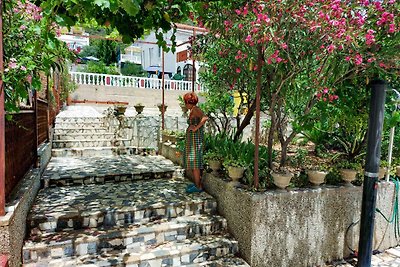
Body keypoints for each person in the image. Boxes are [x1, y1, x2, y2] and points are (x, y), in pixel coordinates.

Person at [183, 92, 208, 193]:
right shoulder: (193, 110)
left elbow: (205, 118)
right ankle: (197, 184)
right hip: (192, 140)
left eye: (186, 102)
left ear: (190, 102)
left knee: (195, 164)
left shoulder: (196, 109)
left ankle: (198, 187)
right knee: (193, 163)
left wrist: (195, 128)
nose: (185, 104)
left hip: (195, 141)